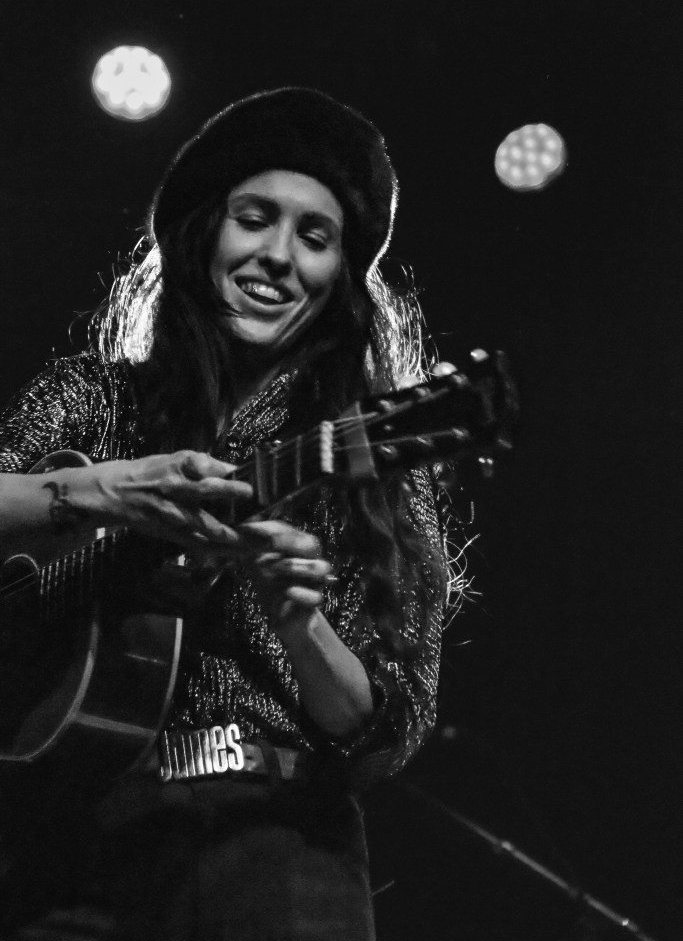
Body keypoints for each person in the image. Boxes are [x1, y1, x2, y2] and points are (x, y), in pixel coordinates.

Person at [0, 87, 460, 940]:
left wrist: (301, 624)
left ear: (339, 277)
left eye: (314, 237)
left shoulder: (368, 458)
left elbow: (388, 729)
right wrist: (96, 491)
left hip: (272, 843)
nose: (278, 255)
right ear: (205, 231)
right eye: (255, 219)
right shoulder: (96, 400)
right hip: (52, 841)